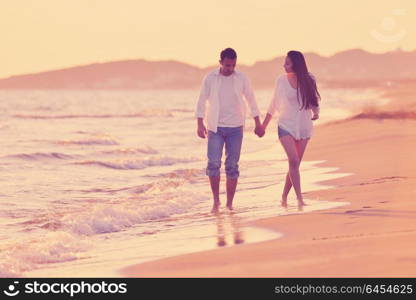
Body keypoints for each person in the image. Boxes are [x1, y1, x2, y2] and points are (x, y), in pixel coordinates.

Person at [195, 48, 263, 213]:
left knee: (232, 166)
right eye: (227, 65)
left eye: (233, 65)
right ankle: (216, 201)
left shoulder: (242, 78)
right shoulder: (210, 78)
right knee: (213, 164)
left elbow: (251, 99)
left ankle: (229, 203)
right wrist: (199, 123)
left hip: (236, 128)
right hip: (215, 127)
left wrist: (257, 123)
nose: (230, 68)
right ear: (220, 62)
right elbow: (201, 100)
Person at [259, 50, 321, 208]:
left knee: (295, 165)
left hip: (304, 126)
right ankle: (300, 199)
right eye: (284, 62)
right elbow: (273, 104)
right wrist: (263, 125)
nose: (284, 65)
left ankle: (284, 197)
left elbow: (313, 99)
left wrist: (316, 113)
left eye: (287, 63)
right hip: (285, 125)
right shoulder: (281, 80)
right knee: (293, 160)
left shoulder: (309, 79)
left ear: (296, 64)